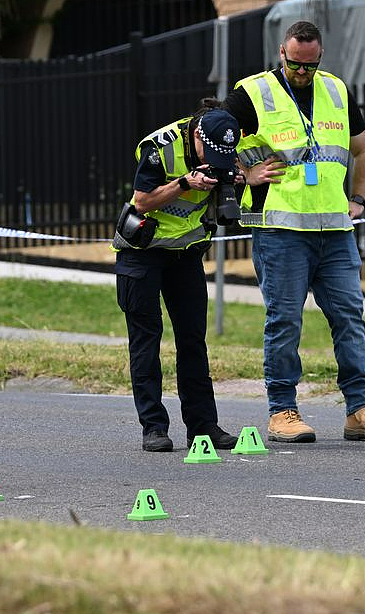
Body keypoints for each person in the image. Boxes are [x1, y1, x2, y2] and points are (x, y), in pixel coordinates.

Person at [224, 20, 365, 444]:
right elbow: (208, 137)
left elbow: (364, 148)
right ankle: (282, 410)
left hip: (335, 230)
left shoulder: (336, 91)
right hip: (281, 230)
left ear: (319, 57)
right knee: (284, 321)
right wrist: (244, 174)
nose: (302, 73)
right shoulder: (253, 92)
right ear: (281, 54)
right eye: (294, 65)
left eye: (310, 66)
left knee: (349, 318)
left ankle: (361, 409)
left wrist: (358, 200)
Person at [115, 99, 241, 452]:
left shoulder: (227, 144)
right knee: (146, 340)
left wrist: (241, 178)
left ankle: (204, 427)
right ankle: (153, 427)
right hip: (143, 253)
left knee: (192, 341)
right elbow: (141, 201)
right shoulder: (161, 147)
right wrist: (185, 183)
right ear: (197, 135)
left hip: (186, 255)